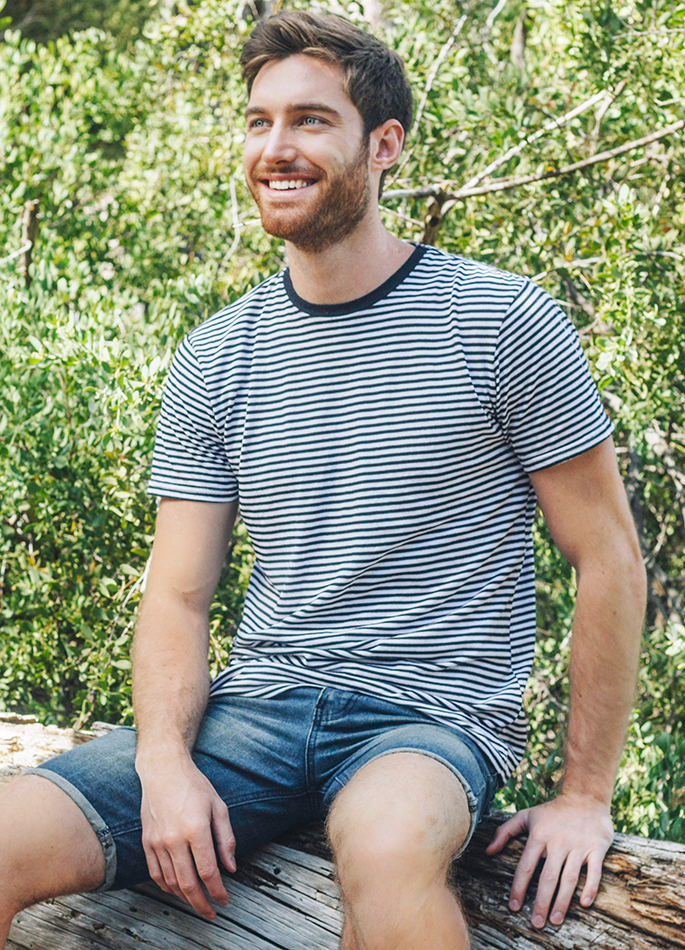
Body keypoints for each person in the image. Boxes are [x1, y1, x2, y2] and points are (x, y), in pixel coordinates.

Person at [0, 11, 646, 950]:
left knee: (385, 850)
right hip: (253, 715)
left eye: (310, 120)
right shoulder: (218, 355)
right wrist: (165, 765)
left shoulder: (499, 321)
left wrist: (584, 796)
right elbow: (177, 598)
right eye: (258, 122)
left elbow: (609, 556)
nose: (275, 148)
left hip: (428, 721)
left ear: (383, 145)